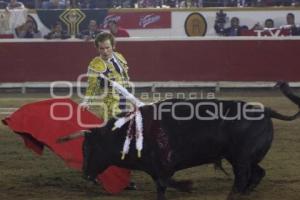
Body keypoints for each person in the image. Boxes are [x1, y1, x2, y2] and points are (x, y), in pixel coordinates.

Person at [82, 32, 136, 190]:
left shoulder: (119, 57)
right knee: (114, 144)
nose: (105, 51)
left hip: (126, 105)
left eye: (107, 48)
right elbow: (92, 86)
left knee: (126, 142)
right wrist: (87, 101)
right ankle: (105, 176)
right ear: (97, 48)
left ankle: (122, 178)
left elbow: (126, 81)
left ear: (113, 46)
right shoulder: (96, 64)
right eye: (101, 48)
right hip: (110, 107)